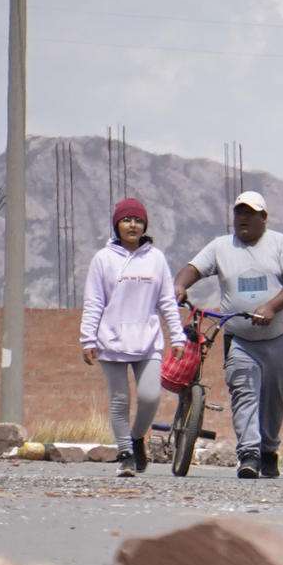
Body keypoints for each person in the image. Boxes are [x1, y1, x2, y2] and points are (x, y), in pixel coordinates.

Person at [172, 191, 283, 479]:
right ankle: (248, 454)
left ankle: (269, 450)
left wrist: (271, 306)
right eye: (239, 213)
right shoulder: (221, 246)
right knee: (243, 393)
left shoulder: (281, 244)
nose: (243, 218)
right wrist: (180, 285)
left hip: (277, 337)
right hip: (240, 340)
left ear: (264, 217)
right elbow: (192, 268)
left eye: (250, 213)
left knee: (273, 399)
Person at [80, 197, 185, 477]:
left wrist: (177, 337)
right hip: (111, 341)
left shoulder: (156, 258)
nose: (133, 225)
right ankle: (125, 452)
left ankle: (137, 437)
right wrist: (88, 339)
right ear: (117, 224)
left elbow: (166, 302)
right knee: (119, 400)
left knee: (150, 396)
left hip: (148, 340)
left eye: (138, 220)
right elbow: (93, 302)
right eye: (127, 219)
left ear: (145, 226)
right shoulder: (102, 259)